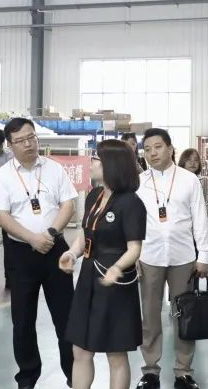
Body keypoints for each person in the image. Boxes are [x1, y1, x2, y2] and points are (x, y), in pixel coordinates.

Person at [0, 117, 78, 389]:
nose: (28, 144)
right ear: (10, 145)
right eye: (21, 140)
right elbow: (1, 216)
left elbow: (68, 204)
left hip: (55, 250)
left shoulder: (54, 169)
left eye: (31, 138)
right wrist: (31, 238)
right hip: (21, 254)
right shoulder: (3, 176)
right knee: (23, 320)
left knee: (66, 317)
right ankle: (27, 377)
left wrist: (49, 234)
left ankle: (74, 375)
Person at [62, 140, 147, 389]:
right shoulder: (94, 196)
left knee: (115, 352)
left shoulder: (131, 203)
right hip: (89, 275)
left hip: (115, 281)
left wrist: (117, 268)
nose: (91, 163)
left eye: (96, 159)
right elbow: (85, 233)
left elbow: (134, 248)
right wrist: (72, 253)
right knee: (80, 349)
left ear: (112, 164)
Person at [134, 129, 208, 389]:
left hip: (183, 258)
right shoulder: (139, 182)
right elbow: (133, 222)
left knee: (184, 315)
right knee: (150, 316)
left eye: (158, 147)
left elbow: (200, 219)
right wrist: (134, 254)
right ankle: (150, 371)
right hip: (149, 256)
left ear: (170, 148)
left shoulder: (189, 180)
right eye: (147, 149)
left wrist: (203, 256)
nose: (152, 153)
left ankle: (183, 372)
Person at [177, 148, 208, 212]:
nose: (193, 163)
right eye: (189, 160)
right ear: (182, 162)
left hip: (200, 215)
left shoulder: (204, 181)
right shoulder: (177, 180)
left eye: (196, 160)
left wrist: (202, 216)